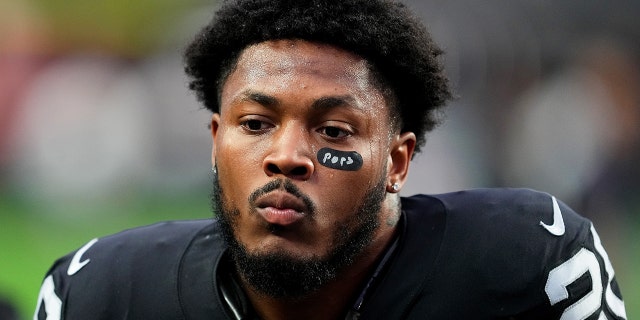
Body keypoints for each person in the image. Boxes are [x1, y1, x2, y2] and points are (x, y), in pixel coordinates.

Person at [34, 0, 627, 319]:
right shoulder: (104, 294)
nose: (286, 157)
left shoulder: (523, 268)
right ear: (216, 141)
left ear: (398, 162)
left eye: (335, 131)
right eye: (256, 124)